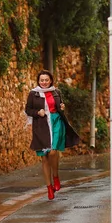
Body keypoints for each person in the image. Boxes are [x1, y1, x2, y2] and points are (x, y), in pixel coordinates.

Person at [25, 70, 80, 200]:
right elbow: (28, 109)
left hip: (56, 123)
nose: (44, 82)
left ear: (51, 81)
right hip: (41, 125)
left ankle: (56, 176)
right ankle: (49, 188)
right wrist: (38, 112)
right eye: (42, 80)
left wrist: (62, 106)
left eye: (46, 80)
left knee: (53, 152)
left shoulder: (56, 92)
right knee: (44, 157)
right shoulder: (33, 94)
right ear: (38, 81)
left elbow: (59, 106)